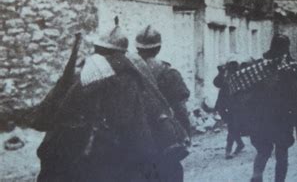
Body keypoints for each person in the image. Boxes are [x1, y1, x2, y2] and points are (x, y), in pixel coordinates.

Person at [34, 19, 188, 181]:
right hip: (99, 158)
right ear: (121, 53)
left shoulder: (76, 71)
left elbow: (43, 117)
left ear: (96, 47)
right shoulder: (125, 77)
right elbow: (134, 127)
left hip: (59, 156)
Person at [132, 25, 192, 182]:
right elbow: (180, 109)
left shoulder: (129, 70)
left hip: (136, 138)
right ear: (158, 48)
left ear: (137, 48)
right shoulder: (169, 73)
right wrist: (185, 133)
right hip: (164, 137)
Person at [249, 34, 297, 182]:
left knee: (263, 150)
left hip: (262, 116)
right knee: (282, 152)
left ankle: (257, 175)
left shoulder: (261, 65)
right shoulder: (292, 67)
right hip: (284, 117)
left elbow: (252, 90)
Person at [214, 55, 245, 159]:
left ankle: (228, 149)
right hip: (224, 105)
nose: (233, 68)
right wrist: (220, 72)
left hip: (236, 105)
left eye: (234, 65)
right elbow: (217, 83)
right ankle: (240, 144)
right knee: (232, 126)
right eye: (231, 65)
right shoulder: (225, 76)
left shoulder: (241, 76)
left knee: (232, 126)